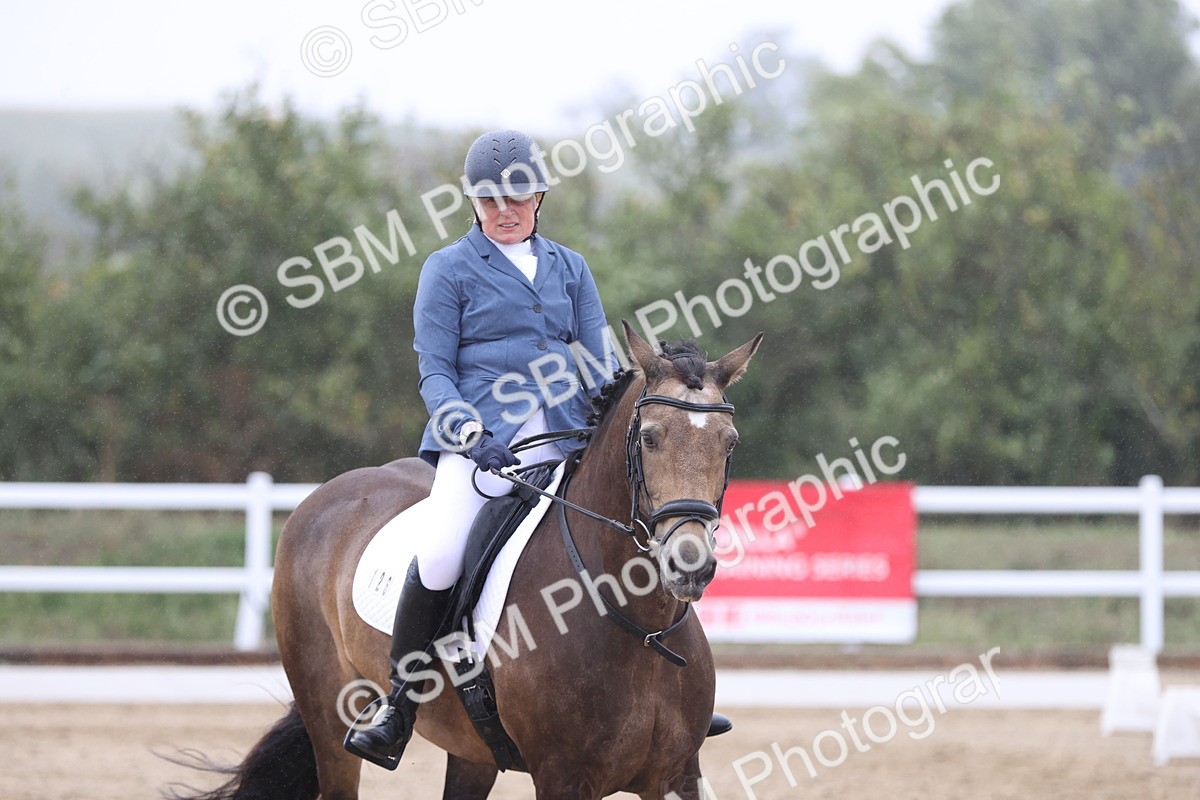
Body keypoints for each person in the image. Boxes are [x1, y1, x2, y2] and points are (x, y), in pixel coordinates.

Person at [346, 129, 618, 765]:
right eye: (490, 198)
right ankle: (398, 705)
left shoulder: (570, 267)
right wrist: (468, 433)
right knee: (441, 557)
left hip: (565, 438)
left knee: (634, 526)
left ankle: (672, 681)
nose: (504, 209)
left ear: (540, 198)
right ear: (473, 201)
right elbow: (435, 373)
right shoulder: (448, 269)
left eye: (517, 198)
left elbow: (599, 360)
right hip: (482, 447)